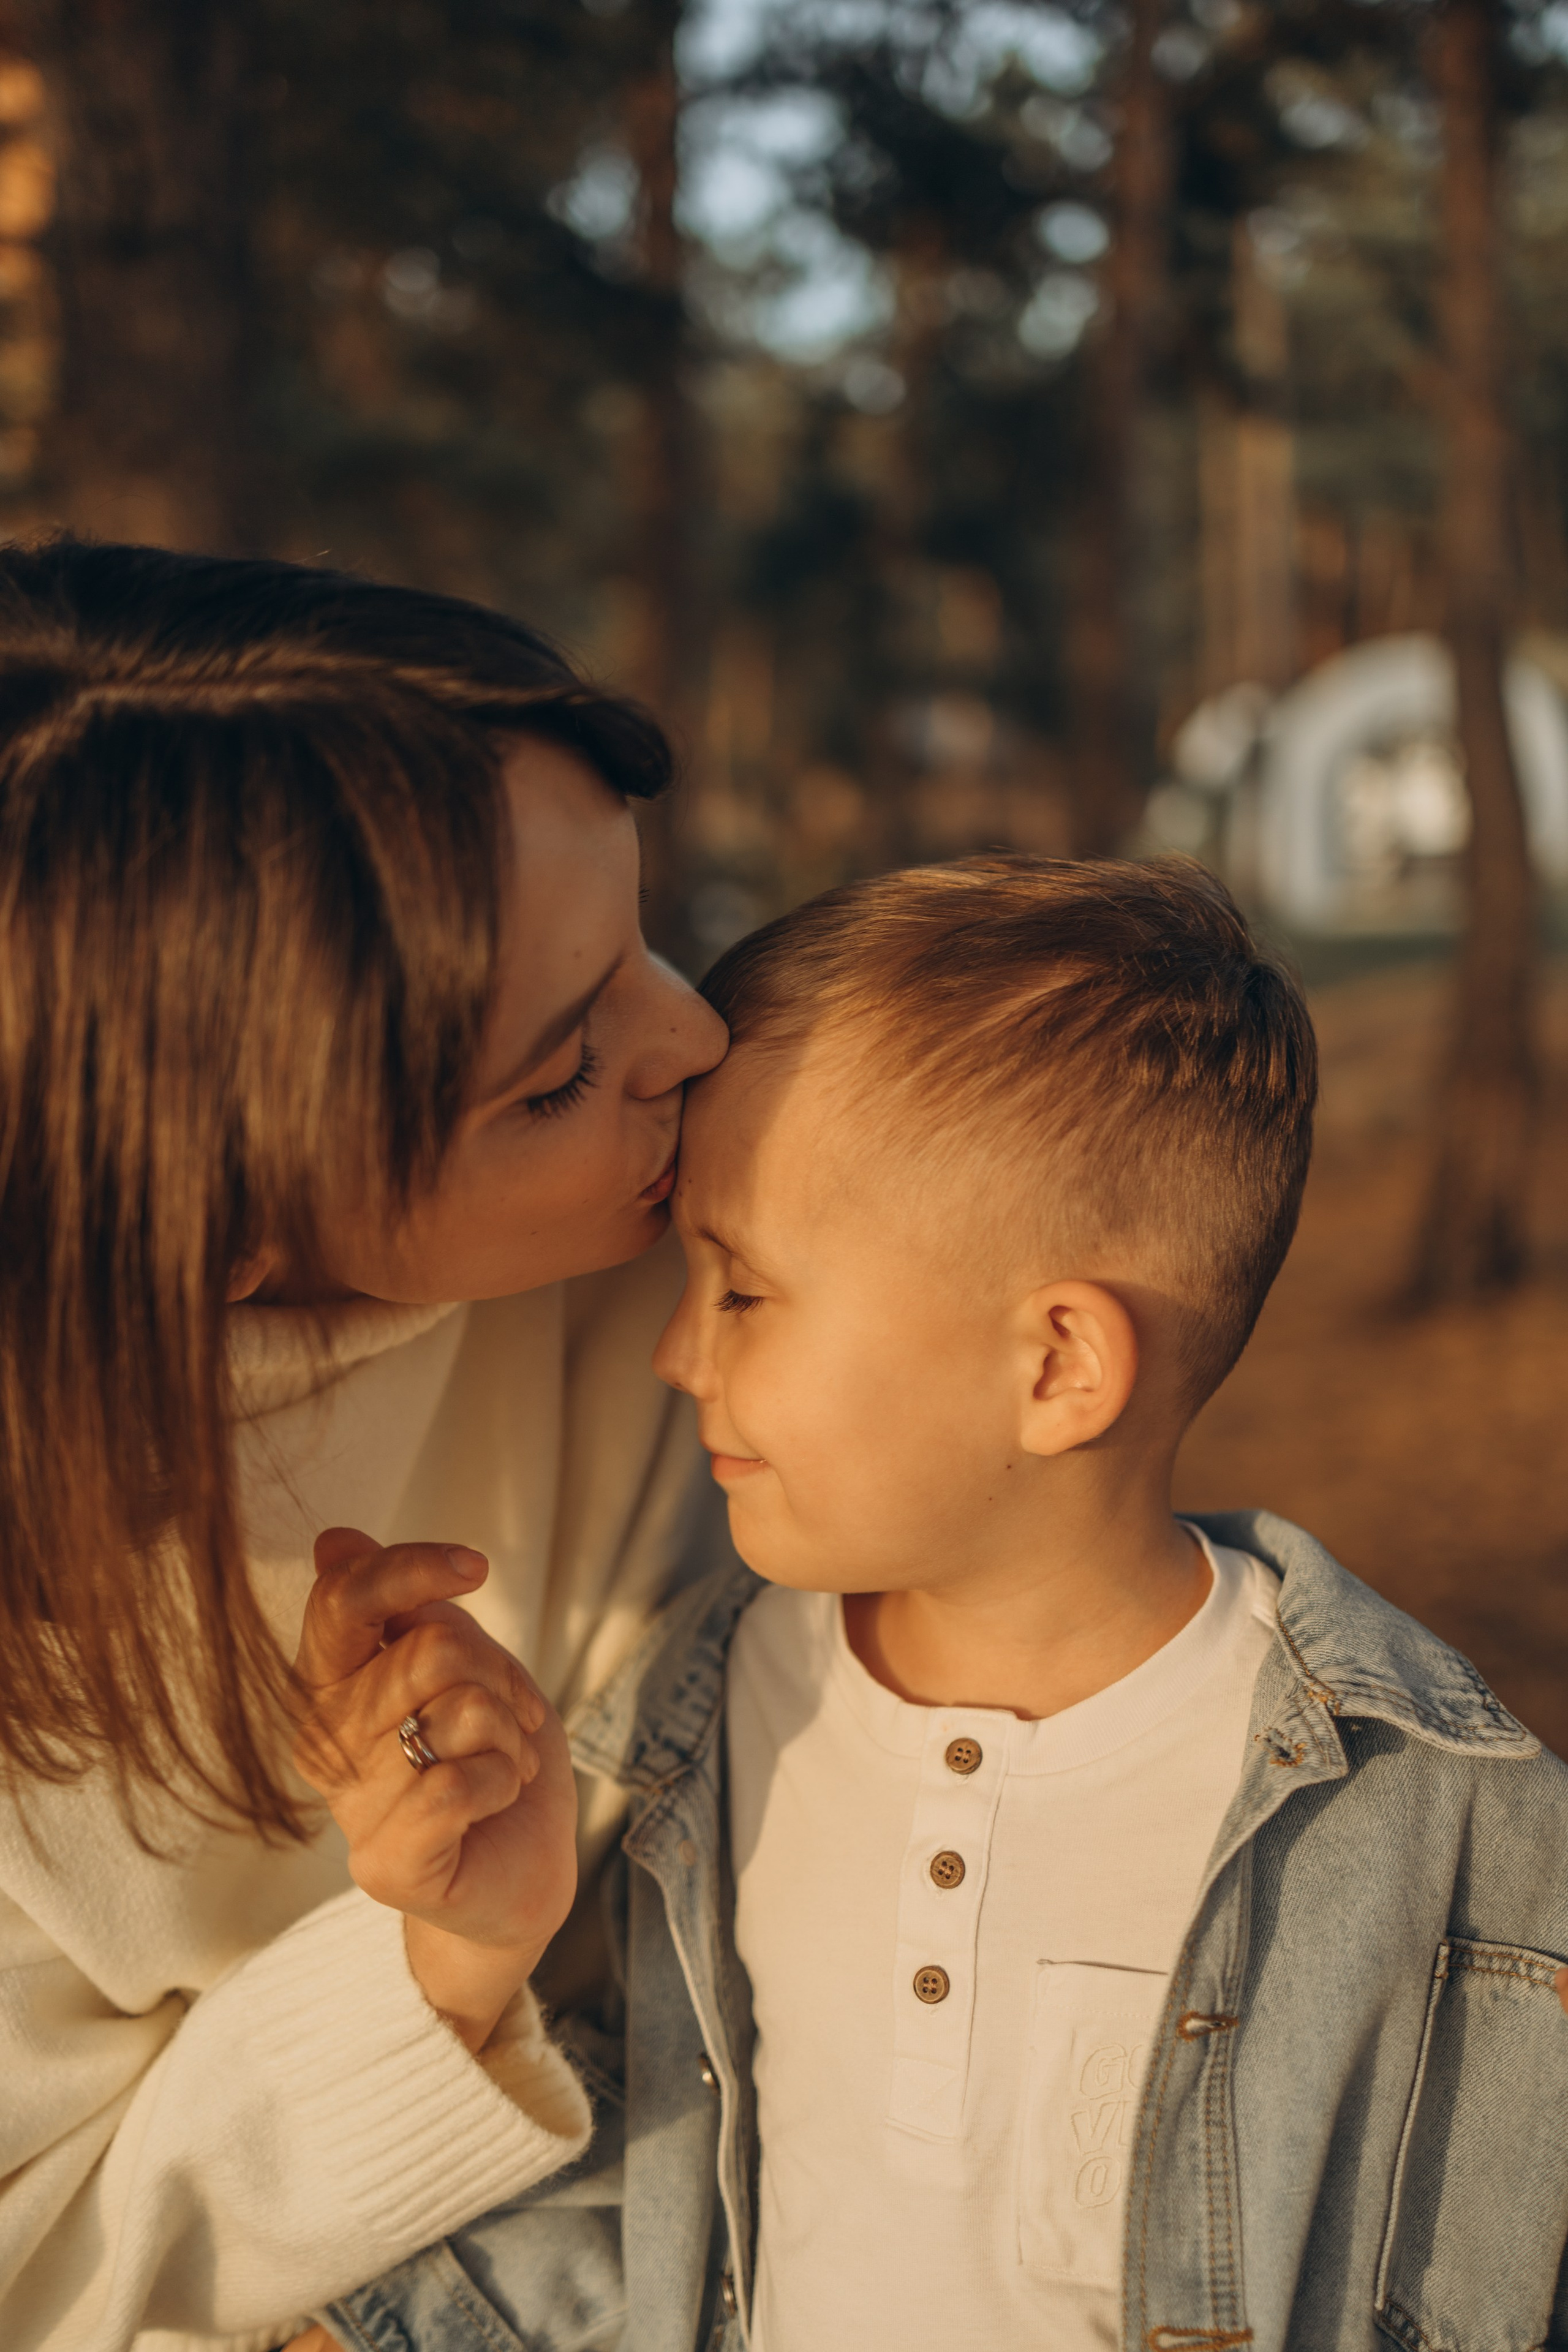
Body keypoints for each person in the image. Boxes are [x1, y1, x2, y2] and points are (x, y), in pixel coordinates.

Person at [332, 854, 1568, 2352]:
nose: (673, 1354)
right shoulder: (690, 1713)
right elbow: (649, 2198)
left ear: (1055, 1368)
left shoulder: (1446, 1834)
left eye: (740, 1290)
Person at [0, 536, 730, 2352]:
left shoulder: (657, 1258)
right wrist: (441, 1972)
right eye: (557, 1074)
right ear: (222, 1231)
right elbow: (52, 2257)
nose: (699, 1034)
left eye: (648, 935)